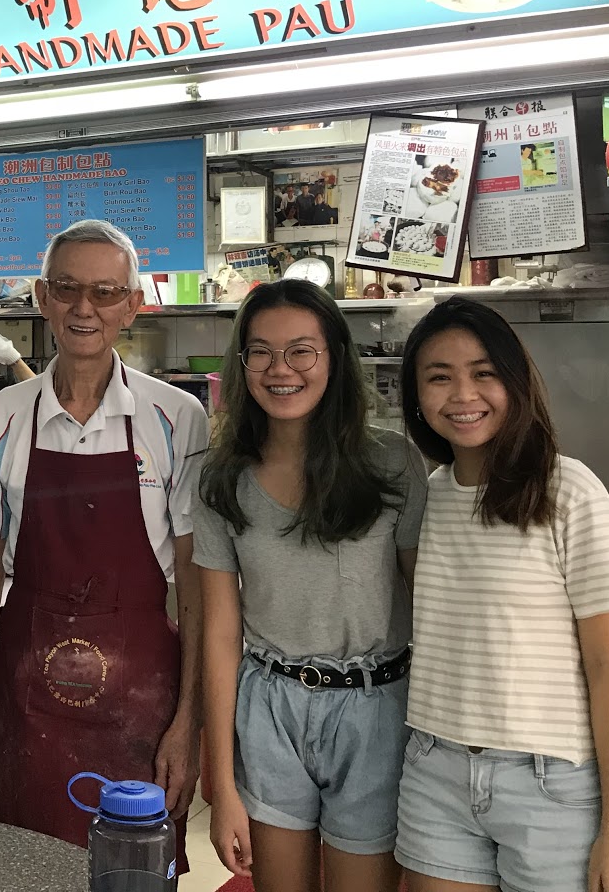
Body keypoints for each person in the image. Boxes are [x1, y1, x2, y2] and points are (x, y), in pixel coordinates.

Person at [0, 219, 208, 857]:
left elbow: (197, 574)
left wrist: (190, 718)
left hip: (143, 696)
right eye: (67, 289)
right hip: (24, 687)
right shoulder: (3, 417)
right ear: (42, 299)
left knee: (132, 868)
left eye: (104, 292)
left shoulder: (176, 418)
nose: (83, 308)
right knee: (22, 864)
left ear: (132, 304)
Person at [396, 297, 609, 892]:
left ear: (516, 382)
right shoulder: (425, 499)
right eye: (439, 378)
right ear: (417, 398)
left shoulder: (570, 490)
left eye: (483, 374)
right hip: (435, 769)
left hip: (550, 782)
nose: (462, 395)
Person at [194, 281, 427, 892]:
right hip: (270, 704)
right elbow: (220, 633)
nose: (281, 370)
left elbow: (428, 605)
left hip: (377, 706)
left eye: (302, 351)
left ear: (334, 358)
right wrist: (221, 783)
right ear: (242, 365)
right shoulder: (222, 479)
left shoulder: (392, 464)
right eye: (261, 353)